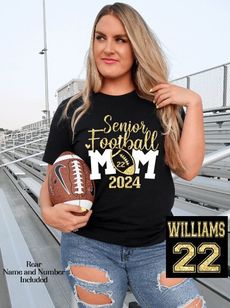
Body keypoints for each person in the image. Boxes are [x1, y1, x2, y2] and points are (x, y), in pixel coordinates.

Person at [40, 2, 206, 307]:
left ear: (137, 46)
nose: (108, 48)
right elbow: (52, 181)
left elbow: (189, 169)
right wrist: (48, 213)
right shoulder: (72, 109)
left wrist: (194, 103)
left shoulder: (164, 104)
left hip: (160, 242)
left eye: (121, 39)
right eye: (100, 37)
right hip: (89, 244)